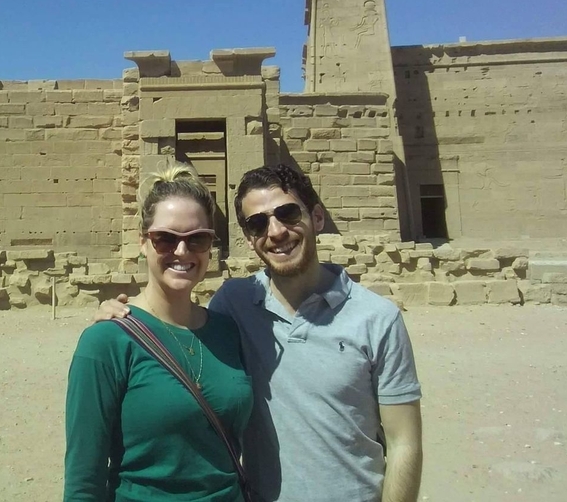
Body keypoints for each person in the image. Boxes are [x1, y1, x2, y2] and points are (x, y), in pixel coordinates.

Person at [98, 164, 423, 502]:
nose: (276, 231)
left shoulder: (377, 318)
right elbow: (177, 326)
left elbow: (404, 443)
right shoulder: (234, 305)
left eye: (287, 213)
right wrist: (121, 313)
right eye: (258, 223)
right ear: (250, 238)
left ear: (317, 217)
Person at [64, 163, 254, 501]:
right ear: (143, 241)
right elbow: (84, 479)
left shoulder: (227, 330)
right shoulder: (106, 341)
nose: (181, 252)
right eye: (165, 239)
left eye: (196, 239)